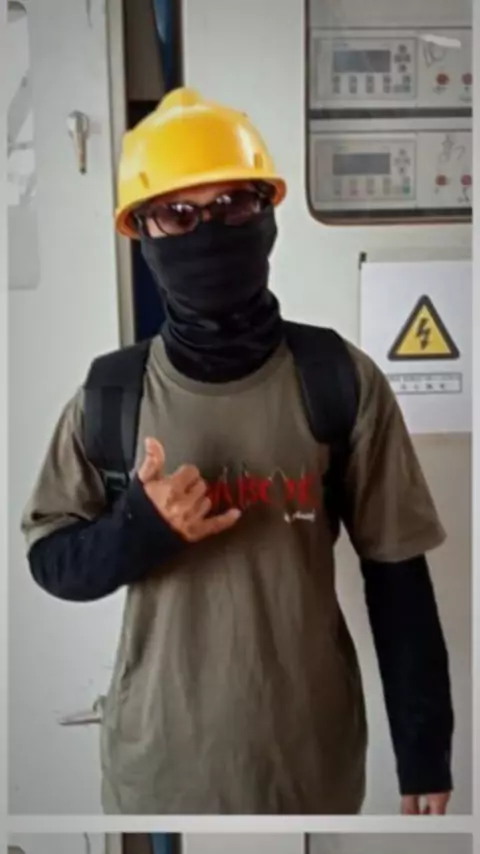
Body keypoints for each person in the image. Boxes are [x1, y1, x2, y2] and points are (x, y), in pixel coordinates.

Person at [22, 88, 454, 816]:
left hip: (308, 770)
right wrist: (141, 528)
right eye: (179, 213)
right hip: (158, 777)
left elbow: (397, 576)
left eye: (232, 205)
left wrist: (424, 754)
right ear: (142, 231)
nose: (208, 232)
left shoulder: (338, 380)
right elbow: (50, 560)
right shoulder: (110, 395)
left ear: (268, 212)